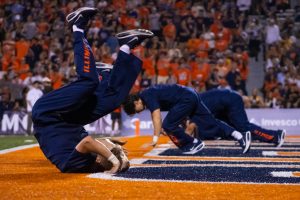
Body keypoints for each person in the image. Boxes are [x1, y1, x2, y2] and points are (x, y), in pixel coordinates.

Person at [32, 7, 154, 173]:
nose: (114, 154)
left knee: (89, 81)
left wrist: (113, 160)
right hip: (68, 119)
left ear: (102, 163)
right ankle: (126, 46)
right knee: (114, 99)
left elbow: (87, 142)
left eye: (111, 157)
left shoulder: (73, 165)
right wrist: (109, 144)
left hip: (47, 113)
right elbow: (89, 143)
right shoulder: (88, 161)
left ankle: (77, 26)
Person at [122, 84, 251, 154]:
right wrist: (182, 119)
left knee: (167, 125)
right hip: (190, 95)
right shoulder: (148, 93)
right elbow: (173, 104)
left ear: (136, 102)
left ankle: (193, 143)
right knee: (210, 122)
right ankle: (239, 135)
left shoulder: (146, 94)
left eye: (134, 110)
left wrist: (155, 137)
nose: (137, 112)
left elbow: (156, 115)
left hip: (186, 98)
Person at [187, 89, 285, 147]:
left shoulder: (192, 108)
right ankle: (245, 137)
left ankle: (275, 136)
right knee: (232, 129)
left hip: (230, 101)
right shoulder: (193, 102)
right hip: (225, 102)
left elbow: (191, 129)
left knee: (243, 127)